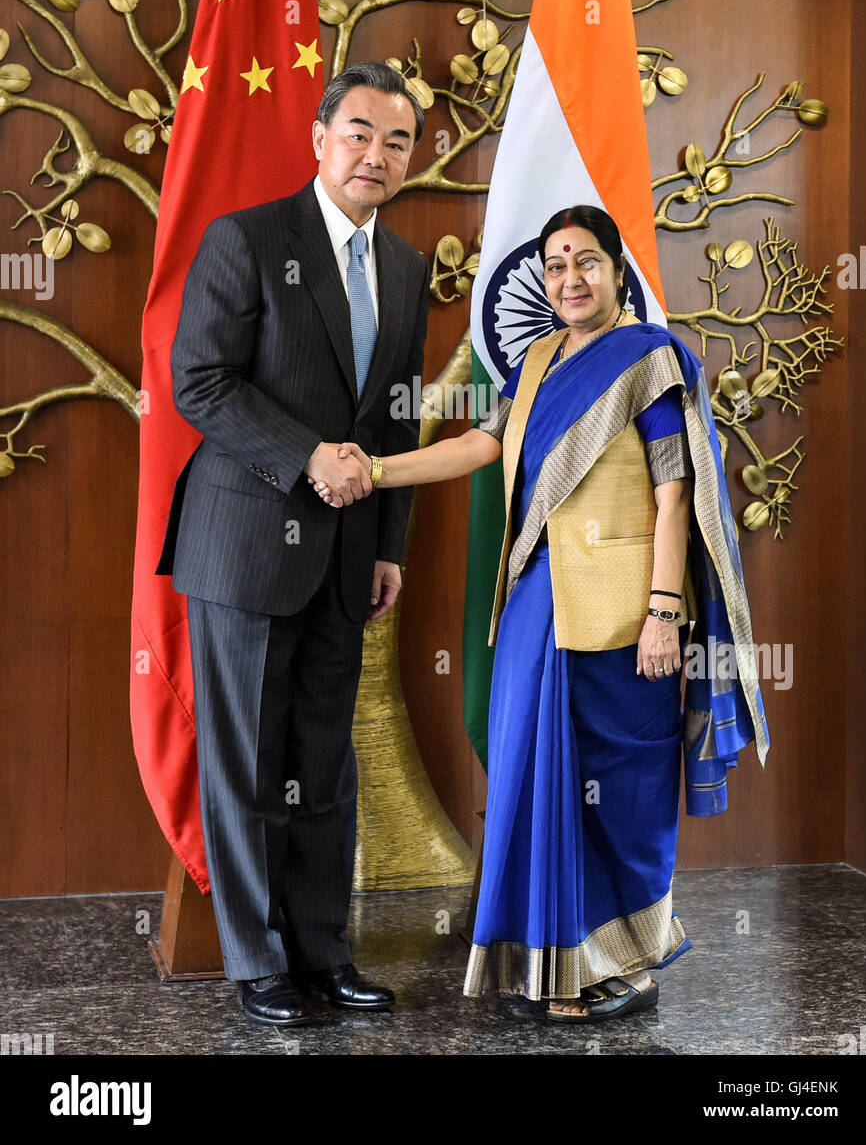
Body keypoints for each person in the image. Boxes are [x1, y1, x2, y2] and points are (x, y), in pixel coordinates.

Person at [309, 204, 770, 1023]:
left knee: (622, 784)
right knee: (531, 775)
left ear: (617, 271)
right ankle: (550, 966)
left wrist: (666, 610)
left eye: (585, 262)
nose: (569, 279)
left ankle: (625, 962)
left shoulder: (650, 361)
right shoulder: (535, 361)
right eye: (555, 266)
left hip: (627, 611)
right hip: (533, 604)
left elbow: (676, 497)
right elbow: (481, 446)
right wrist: (376, 469)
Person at [156, 61, 431, 1027]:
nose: (376, 154)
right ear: (320, 139)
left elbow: (398, 420)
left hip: (351, 559)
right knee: (245, 762)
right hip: (244, 547)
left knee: (325, 761)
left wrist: (390, 541)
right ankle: (258, 963)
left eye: (397, 140)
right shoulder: (246, 239)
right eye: (359, 132)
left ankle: (324, 953)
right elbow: (201, 383)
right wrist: (309, 454)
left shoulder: (405, 268)